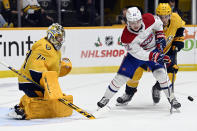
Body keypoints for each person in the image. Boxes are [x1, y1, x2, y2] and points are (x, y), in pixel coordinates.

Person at [97, 7, 181, 110]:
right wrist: (155, 56)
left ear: (141, 19)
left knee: (161, 74)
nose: (135, 25)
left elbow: (158, 24)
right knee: (120, 78)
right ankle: (106, 98)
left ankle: (172, 98)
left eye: (137, 21)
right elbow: (139, 54)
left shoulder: (149, 19)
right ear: (127, 22)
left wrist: (160, 36)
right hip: (134, 56)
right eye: (132, 23)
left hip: (153, 49)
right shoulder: (126, 37)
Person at [116, 3, 184, 107]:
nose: (163, 19)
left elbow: (180, 30)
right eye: (161, 16)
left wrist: (178, 42)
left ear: (170, 15)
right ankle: (129, 93)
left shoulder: (176, 18)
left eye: (166, 16)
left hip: (168, 52)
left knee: (171, 75)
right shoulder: (152, 23)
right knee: (135, 71)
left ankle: (157, 88)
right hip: (150, 53)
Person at [8, 23, 73, 120]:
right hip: (29, 81)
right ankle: (22, 108)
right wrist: (48, 87)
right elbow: (35, 70)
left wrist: (63, 67)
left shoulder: (56, 50)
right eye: (59, 37)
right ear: (52, 36)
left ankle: (21, 105)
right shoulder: (43, 47)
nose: (61, 40)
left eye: (62, 37)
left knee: (49, 98)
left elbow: (52, 71)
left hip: (39, 80)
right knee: (45, 100)